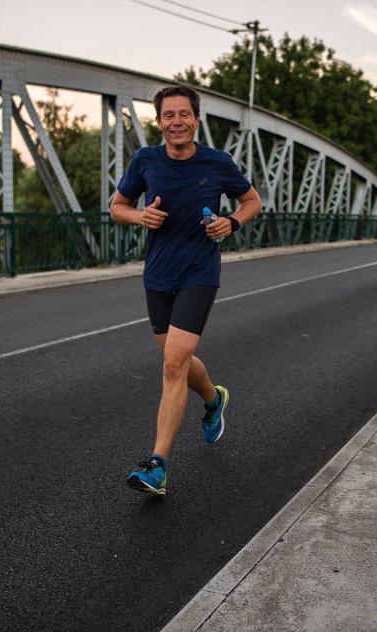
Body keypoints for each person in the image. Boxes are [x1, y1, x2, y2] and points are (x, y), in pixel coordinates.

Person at [110, 85, 262, 496]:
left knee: (173, 365)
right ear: (159, 122)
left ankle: (156, 466)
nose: (176, 121)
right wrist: (141, 216)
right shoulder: (145, 160)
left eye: (184, 114)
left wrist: (231, 222)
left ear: (196, 119)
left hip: (199, 271)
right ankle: (214, 400)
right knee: (176, 358)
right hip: (158, 274)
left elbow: (252, 201)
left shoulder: (217, 162)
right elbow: (117, 206)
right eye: (168, 115)